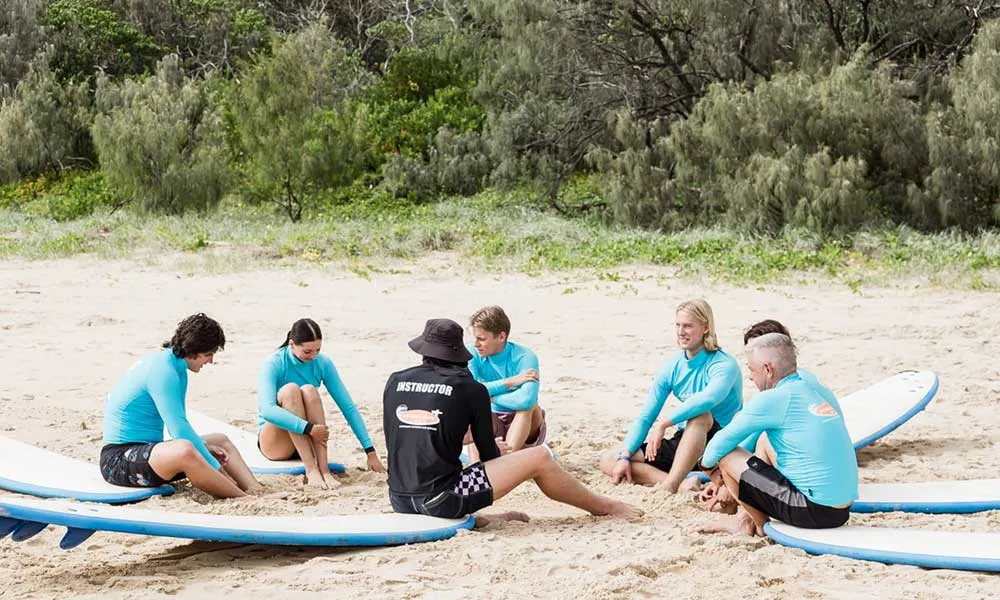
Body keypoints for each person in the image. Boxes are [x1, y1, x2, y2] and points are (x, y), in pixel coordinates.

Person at [383, 318, 641, 524]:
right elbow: (488, 456)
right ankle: (605, 507)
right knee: (540, 457)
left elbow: (403, 437)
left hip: (399, 499)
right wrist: (498, 449)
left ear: (423, 351)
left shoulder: (395, 380)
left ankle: (477, 519)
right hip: (443, 499)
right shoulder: (470, 389)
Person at [697, 333, 858, 536]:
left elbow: (719, 444)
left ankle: (755, 525)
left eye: (752, 369)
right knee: (765, 440)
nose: (750, 376)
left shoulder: (774, 398)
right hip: (841, 511)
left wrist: (708, 468)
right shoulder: (810, 390)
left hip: (814, 511)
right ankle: (744, 519)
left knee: (727, 456)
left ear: (768, 369)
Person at [101, 313, 263, 498]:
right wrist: (219, 470)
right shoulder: (162, 370)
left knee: (220, 441)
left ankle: (257, 490)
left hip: (149, 452)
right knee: (185, 449)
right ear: (193, 350)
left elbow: (181, 426)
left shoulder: (178, 369)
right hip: (118, 461)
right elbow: (178, 429)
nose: (211, 360)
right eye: (208, 354)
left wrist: (204, 448)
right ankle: (244, 498)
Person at [599, 299, 742, 493]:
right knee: (610, 459)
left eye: (688, 326)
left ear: (706, 327)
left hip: (720, 444)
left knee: (700, 414)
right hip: (686, 442)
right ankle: (683, 483)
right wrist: (625, 456)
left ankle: (671, 486)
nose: (681, 332)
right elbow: (645, 418)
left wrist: (664, 423)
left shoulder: (724, 364)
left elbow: (708, 399)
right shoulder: (672, 366)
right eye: (678, 325)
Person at [257, 318, 385, 489]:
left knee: (309, 390)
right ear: (292, 344)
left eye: (318, 350)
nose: (313, 356)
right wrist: (308, 428)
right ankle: (311, 470)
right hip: (277, 444)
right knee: (290, 390)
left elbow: (348, 407)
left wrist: (370, 452)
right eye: (307, 351)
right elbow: (267, 410)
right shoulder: (274, 362)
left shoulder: (322, 363)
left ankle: (324, 470)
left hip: (309, 439)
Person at [464, 306, 546, 461]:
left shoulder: (525, 356)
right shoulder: (471, 354)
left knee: (528, 407)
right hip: (491, 421)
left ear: (501, 337)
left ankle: (505, 460)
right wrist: (510, 382)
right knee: (472, 409)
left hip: (525, 423)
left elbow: (526, 400)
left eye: (482, 339)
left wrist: (490, 396)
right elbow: (469, 392)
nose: (476, 344)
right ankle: (476, 466)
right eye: (475, 338)